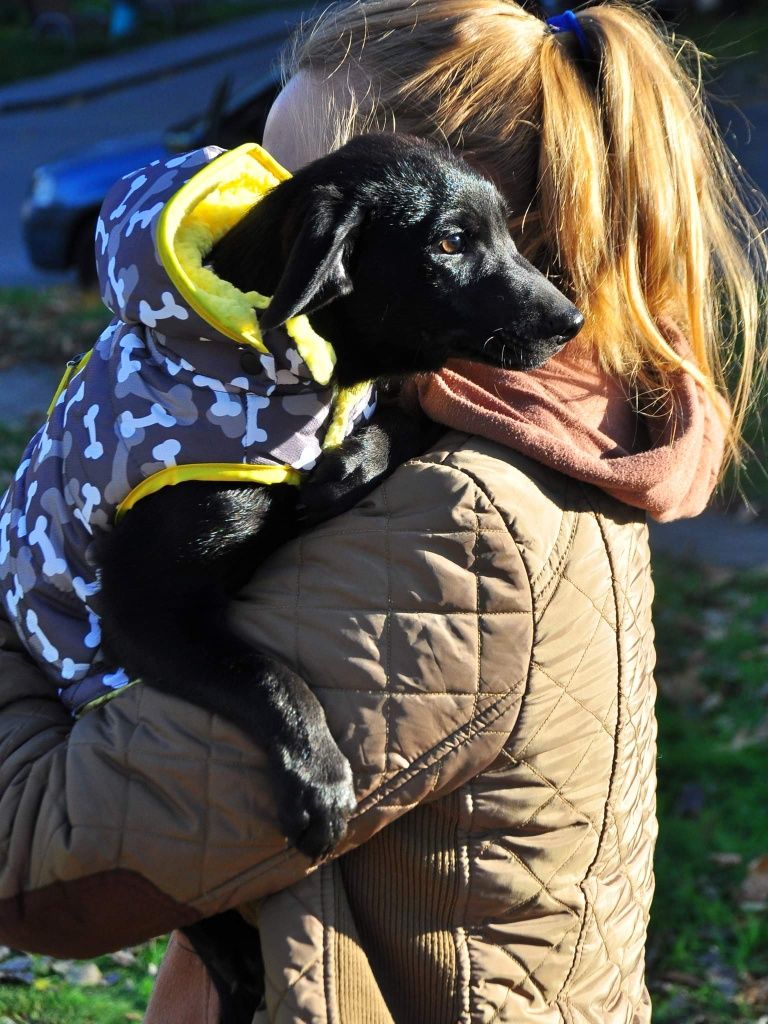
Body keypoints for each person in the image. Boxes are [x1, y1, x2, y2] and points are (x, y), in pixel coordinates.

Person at [0, 2, 764, 1022]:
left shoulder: (454, 524)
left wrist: (29, 574)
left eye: (290, 205)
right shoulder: (432, 429)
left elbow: (42, 862)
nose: (251, 233)